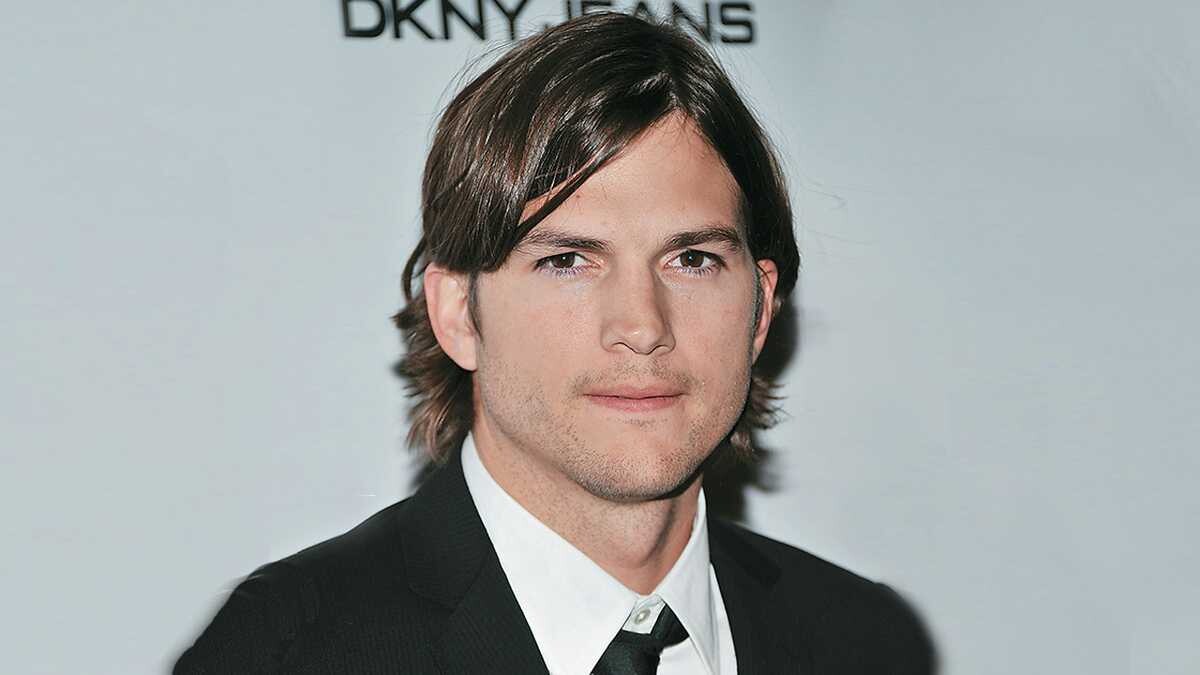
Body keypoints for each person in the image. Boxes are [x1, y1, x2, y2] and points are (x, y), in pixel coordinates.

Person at [175, 12, 933, 675]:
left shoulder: (863, 642)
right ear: (458, 312)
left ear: (760, 309)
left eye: (692, 259)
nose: (642, 326)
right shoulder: (287, 651)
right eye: (568, 260)